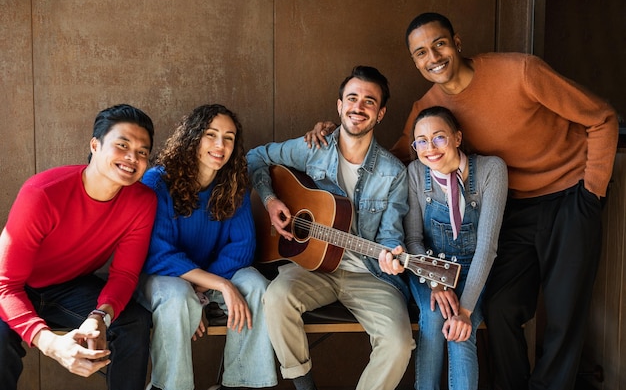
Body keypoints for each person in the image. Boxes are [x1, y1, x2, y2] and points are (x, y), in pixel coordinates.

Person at [305, 13, 619, 390]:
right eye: (420, 53)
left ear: (457, 41)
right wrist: (339, 135)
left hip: (569, 194)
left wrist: (592, 191)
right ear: (415, 61)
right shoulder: (428, 107)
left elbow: (602, 118)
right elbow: (398, 156)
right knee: (503, 309)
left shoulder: (521, 71)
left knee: (565, 313)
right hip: (514, 208)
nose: (432, 57)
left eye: (438, 44)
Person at [246, 65, 414, 390]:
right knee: (276, 298)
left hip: (368, 273)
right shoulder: (313, 147)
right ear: (339, 106)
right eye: (352, 98)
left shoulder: (394, 173)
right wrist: (269, 201)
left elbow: (391, 234)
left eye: (369, 101)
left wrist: (392, 255)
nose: (358, 107)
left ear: (381, 113)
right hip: (313, 268)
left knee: (398, 344)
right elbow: (256, 157)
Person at [0, 104, 157, 390]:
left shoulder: (142, 201)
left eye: (142, 152)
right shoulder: (42, 194)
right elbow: (5, 285)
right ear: (95, 145)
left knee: (134, 321)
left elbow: (123, 275)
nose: (132, 157)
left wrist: (100, 316)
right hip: (13, 287)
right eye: (122, 145)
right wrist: (50, 344)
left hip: (69, 286)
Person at [140, 104, 277, 390]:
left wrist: (202, 291)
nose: (220, 145)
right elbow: (158, 255)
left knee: (256, 286)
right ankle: (169, 386)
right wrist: (220, 286)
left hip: (209, 276)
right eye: (211, 135)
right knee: (177, 296)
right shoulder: (157, 182)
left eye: (229, 137)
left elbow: (241, 249)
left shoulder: (233, 184)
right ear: (192, 137)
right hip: (162, 278)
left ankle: (241, 383)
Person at [381, 106, 507, 389]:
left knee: (461, 331)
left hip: (473, 267)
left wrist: (464, 311)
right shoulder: (415, 173)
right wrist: (437, 282)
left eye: (439, 137)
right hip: (427, 265)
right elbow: (413, 240)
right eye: (421, 141)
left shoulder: (491, 170)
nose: (430, 149)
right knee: (434, 314)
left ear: (457, 137)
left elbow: (487, 248)